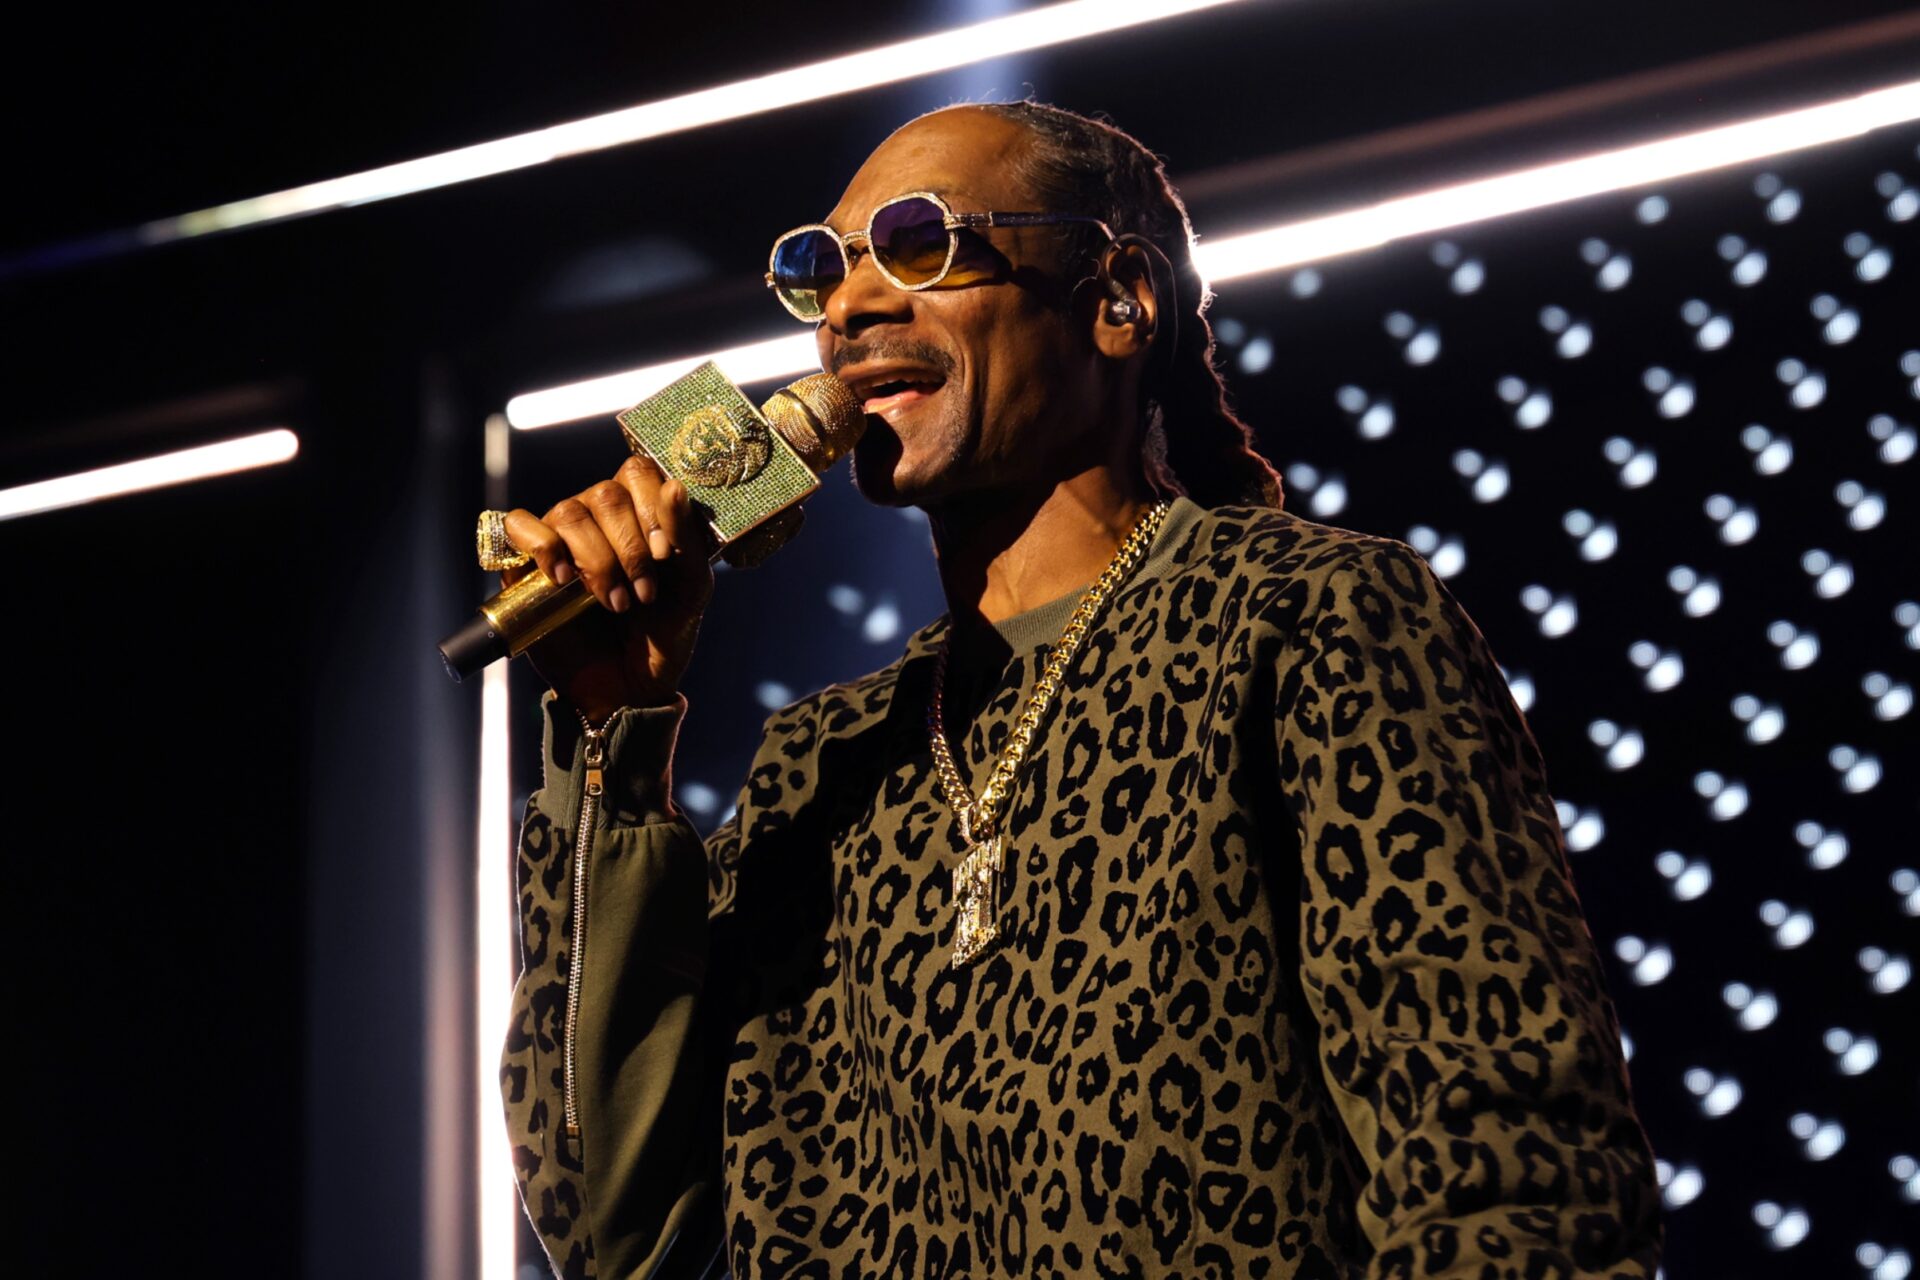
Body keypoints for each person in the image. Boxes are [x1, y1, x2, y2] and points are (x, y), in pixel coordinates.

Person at [492, 101, 1664, 1280]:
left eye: (919, 242)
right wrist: (609, 731)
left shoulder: (1306, 618)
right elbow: (609, 1227)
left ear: (1118, 301)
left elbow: (1512, 1173)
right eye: (822, 270)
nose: (850, 307)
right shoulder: (824, 760)